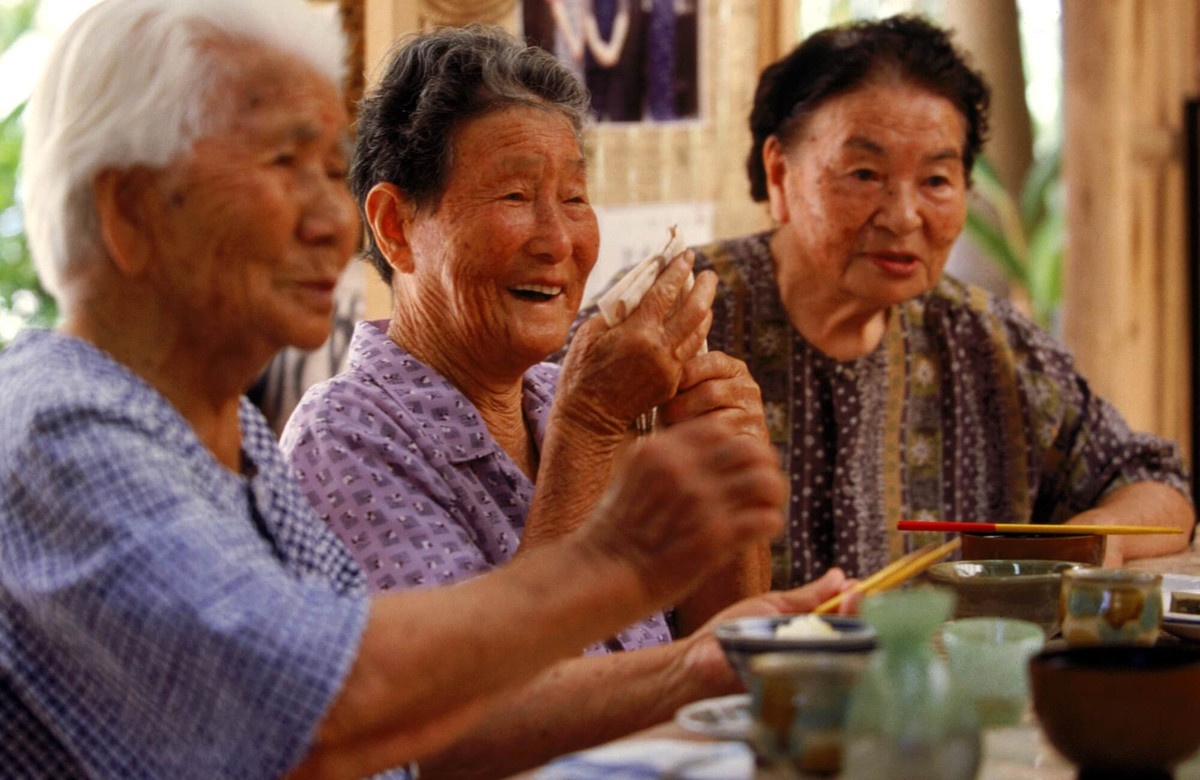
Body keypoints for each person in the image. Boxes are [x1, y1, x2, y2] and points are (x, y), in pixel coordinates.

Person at [0, 2, 841, 778]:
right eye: (282, 162)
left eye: (328, 170)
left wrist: (702, 659)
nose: (333, 221)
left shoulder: (226, 437)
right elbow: (323, 711)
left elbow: (429, 716)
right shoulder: (64, 429)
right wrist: (613, 552)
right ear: (132, 211)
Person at [279, 25, 852, 779]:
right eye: (516, 195)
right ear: (395, 228)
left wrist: (726, 455)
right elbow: (475, 729)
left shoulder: (557, 396)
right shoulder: (345, 437)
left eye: (575, 197)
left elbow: (703, 662)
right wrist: (592, 424)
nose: (558, 239)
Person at [680, 15, 1193, 584]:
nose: (904, 216)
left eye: (937, 181)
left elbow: (1156, 485)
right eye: (865, 173)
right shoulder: (680, 315)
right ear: (779, 173)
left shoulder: (990, 343)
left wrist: (1095, 538)